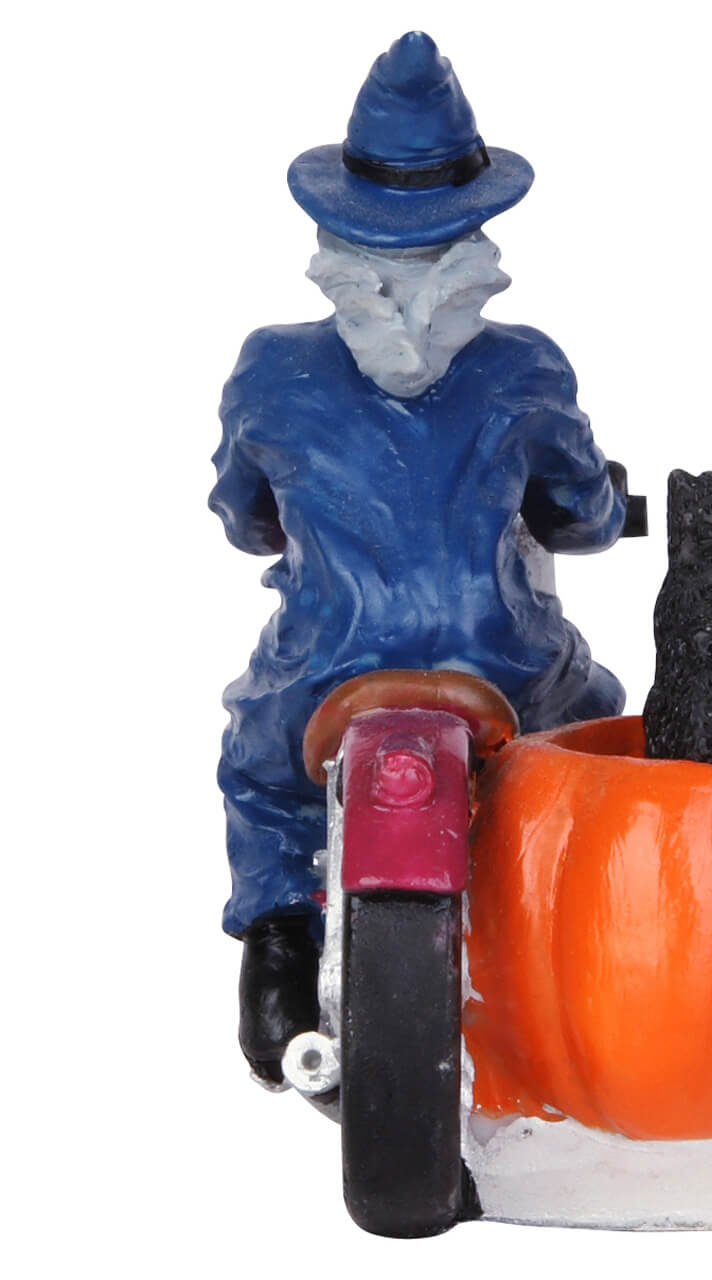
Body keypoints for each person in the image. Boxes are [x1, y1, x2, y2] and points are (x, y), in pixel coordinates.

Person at [212, 32, 638, 1083]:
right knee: (593, 718)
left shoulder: (269, 368)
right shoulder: (527, 367)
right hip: (502, 667)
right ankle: (591, 922)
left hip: (329, 668)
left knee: (266, 771)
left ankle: (277, 942)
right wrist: (603, 506)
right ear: (476, 236)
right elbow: (584, 517)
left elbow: (242, 517)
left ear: (334, 236)